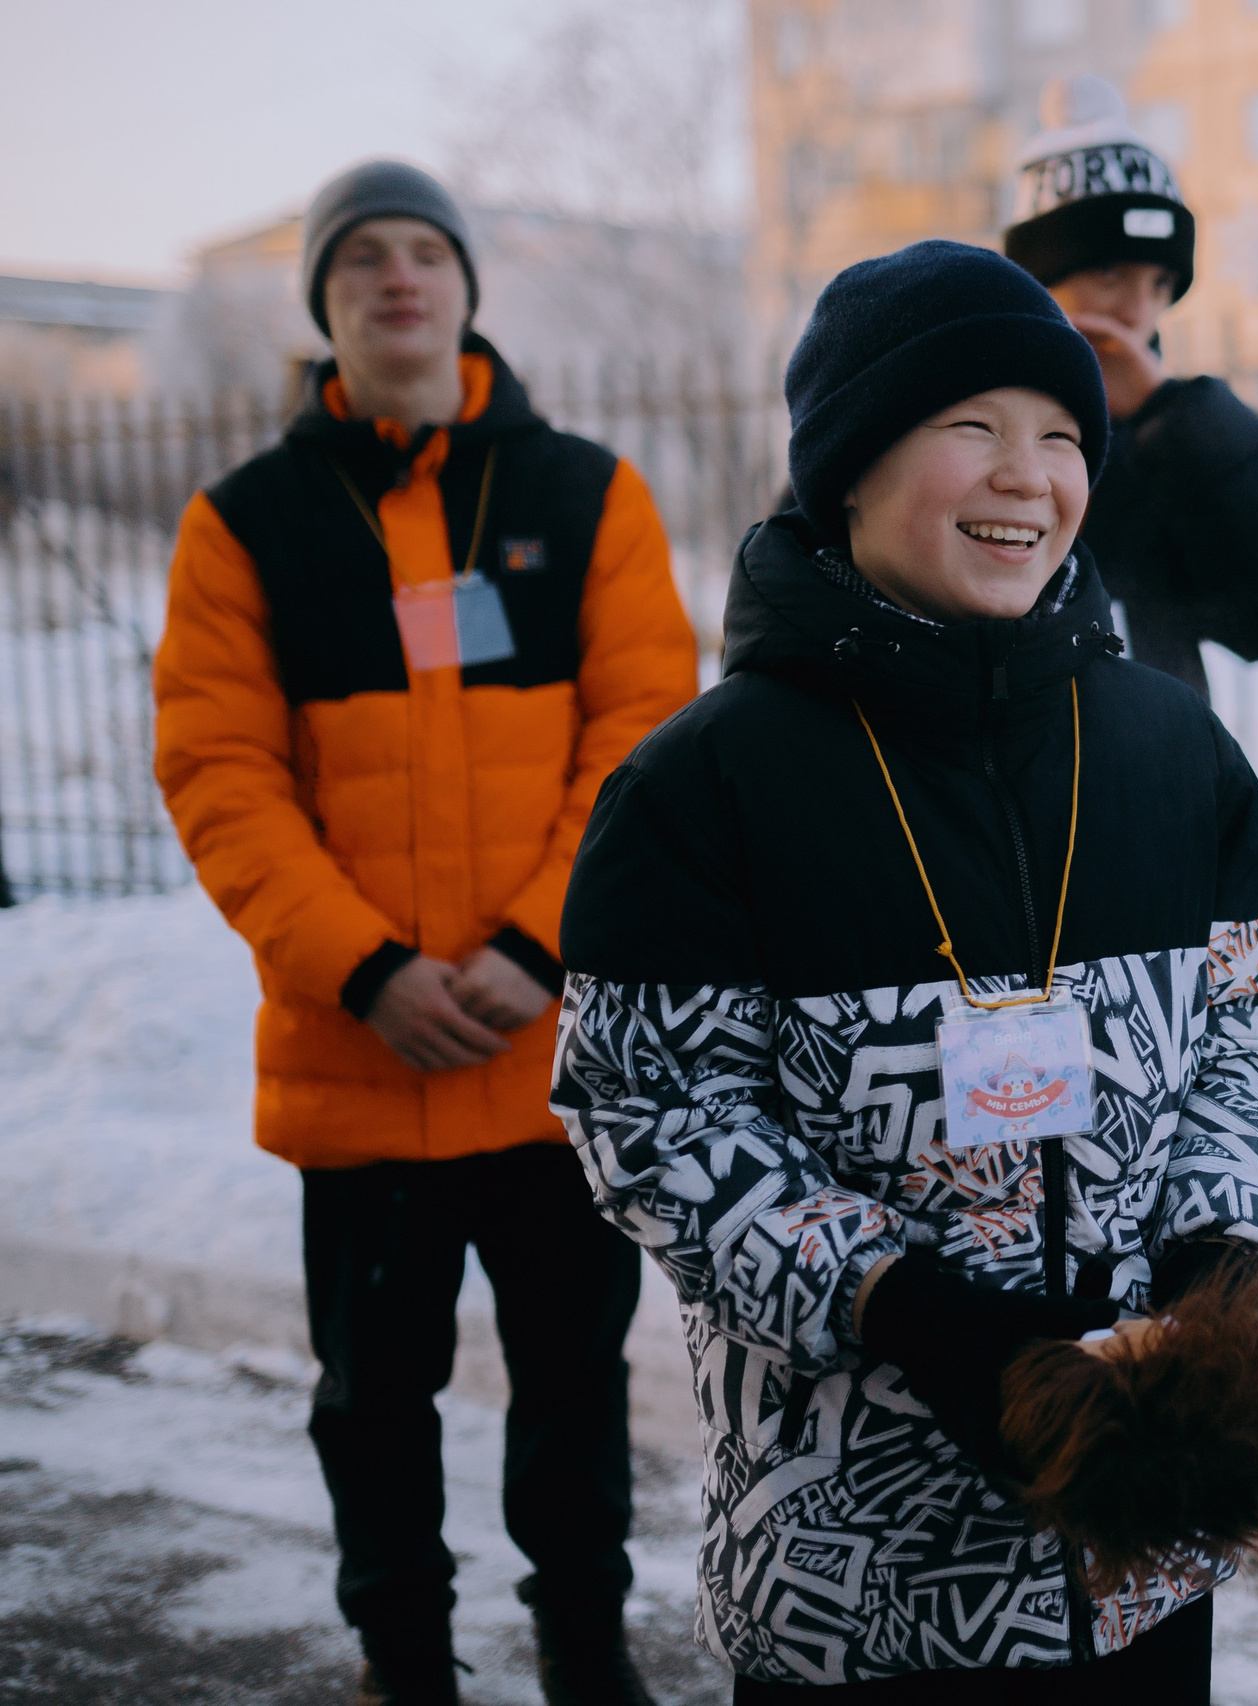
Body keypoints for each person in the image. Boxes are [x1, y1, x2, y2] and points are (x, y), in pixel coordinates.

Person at [548, 240, 1258, 1700]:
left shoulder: (1172, 750)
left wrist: (1216, 1274)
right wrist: (916, 1313)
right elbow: (652, 1116)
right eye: (968, 427)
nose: (1025, 475)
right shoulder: (705, 784)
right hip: (854, 1582)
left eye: (1058, 433)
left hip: (1133, 1559)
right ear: (847, 466)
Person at [151, 159, 699, 1706]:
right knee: (374, 1399)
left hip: (549, 1065)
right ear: (323, 304)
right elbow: (220, 775)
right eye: (363, 259)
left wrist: (541, 949)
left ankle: (588, 1657)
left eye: (425, 253)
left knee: (574, 1389)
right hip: (361, 1058)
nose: (399, 279)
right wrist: (372, 972)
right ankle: (409, 1664)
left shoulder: (584, 491)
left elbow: (645, 734)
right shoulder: (243, 525)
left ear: (467, 287)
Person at [1001, 74, 1258, 701]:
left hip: (1160, 782)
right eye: (1109, 271)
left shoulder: (1169, 440)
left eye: (1160, 284)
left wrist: (1173, 416)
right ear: (1032, 282)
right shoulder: (946, 422)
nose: (1139, 309)